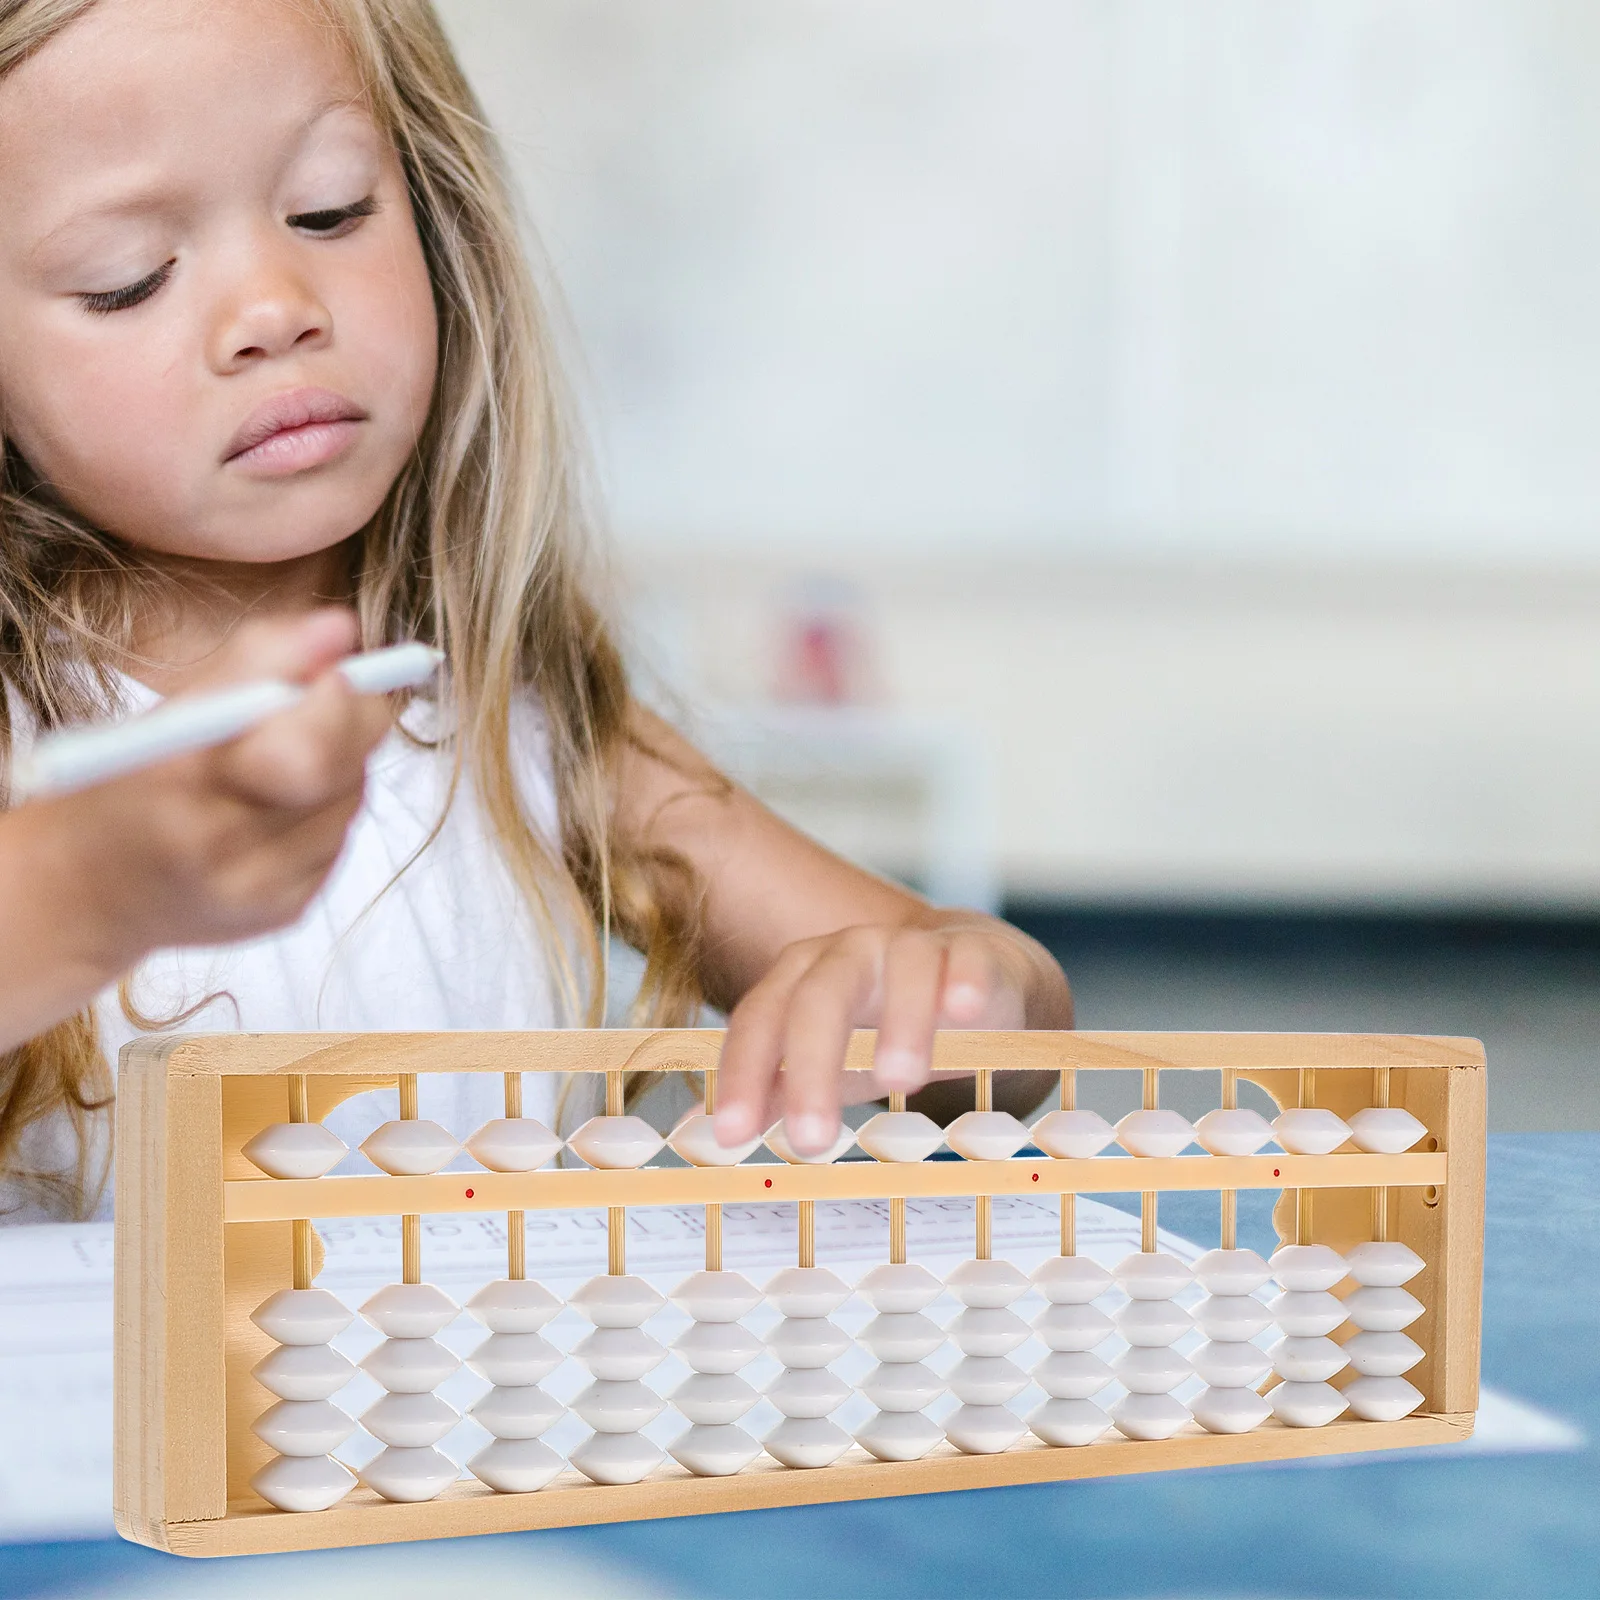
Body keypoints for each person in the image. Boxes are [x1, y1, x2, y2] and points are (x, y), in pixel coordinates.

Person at [0, 0, 1072, 1222]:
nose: (274, 308)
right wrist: (82, 892)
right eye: (125, 280)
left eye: (332, 209)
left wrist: (964, 984)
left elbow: (1006, 1035)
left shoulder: (518, 712)